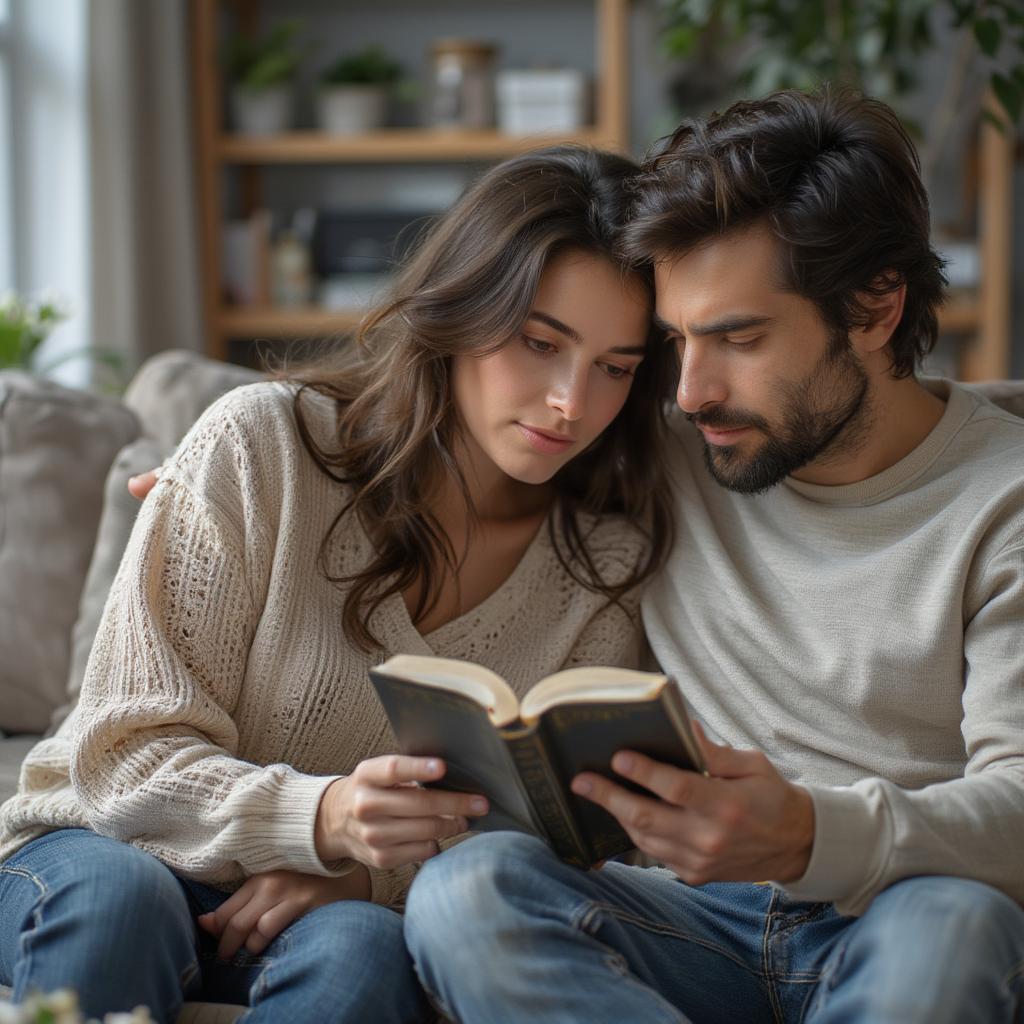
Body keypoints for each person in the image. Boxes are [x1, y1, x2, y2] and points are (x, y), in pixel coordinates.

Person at [0, 146, 679, 1023]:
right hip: (100, 845)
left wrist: (365, 870)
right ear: (463, 309)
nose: (570, 402)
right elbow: (120, 755)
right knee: (121, 902)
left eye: (616, 367)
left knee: (360, 951)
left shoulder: (604, 562)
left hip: (322, 899)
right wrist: (320, 817)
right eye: (539, 343)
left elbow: (550, 837)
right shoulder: (263, 447)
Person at [404, 88, 1024, 1023]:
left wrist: (811, 835)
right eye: (676, 341)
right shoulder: (667, 443)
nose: (692, 392)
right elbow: (457, 415)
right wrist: (257, 468)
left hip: (902, 911)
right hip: (685, 921)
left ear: (876, 306)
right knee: (469, 890)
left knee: (956, 928)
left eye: (738, 338)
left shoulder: (1005, 501)